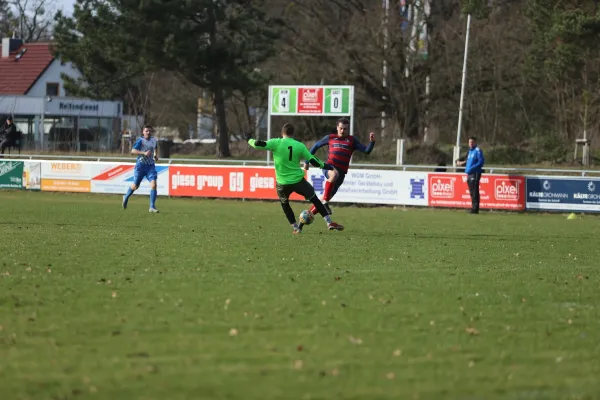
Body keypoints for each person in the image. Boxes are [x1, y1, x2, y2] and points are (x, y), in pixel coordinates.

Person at [246, 123, 344, 234]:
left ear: (282, 133)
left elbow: (258, 144)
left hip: (282, 183)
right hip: (298, 181)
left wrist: (249, 139)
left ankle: (295, 227)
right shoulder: (299, 145)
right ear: (293, 134)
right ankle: (328, 222)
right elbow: (313, 160)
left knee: (285, 204)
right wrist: (327, 166)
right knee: (315, 200)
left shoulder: (276, 143)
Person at [299, 118, 375, 226]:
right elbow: (315, 146)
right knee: (334, 174)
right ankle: (325, 202)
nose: (343, 131)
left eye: (345, 129)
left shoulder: (352, 140)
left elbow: (367, 151)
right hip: (328, 167)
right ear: (337, 128)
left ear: (348, 129)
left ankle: (302, 222)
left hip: (341, 175)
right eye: (341, 128)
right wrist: (307, 162)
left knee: (322, 202)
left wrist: (372, 142)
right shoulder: (330, 138)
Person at [122, 125, 160, 213]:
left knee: (154, 185)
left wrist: (155, 155)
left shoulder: (154, 140)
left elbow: (155, 147)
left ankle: (152, 207)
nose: (148, 132)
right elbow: (133, 151)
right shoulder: (140, 140)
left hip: (150, 166)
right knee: (135, 186)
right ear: (143, 132)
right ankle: (126, 196)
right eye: (146, 131)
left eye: (150, 131)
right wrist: (143, 153)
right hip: (140, 166)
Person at [456, 136, 485, 214]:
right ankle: (473, 207)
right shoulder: (469, 151)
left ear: (475, 142)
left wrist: (472, 168)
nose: (470, 144)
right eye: (469, 142)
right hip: (469, 173)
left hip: (475, 173)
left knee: (475, 191)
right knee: (472, 192)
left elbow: (481, 162)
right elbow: (467, 161)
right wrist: (461, 163)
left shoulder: (477, 150)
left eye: (472, 142)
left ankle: (475, 209)